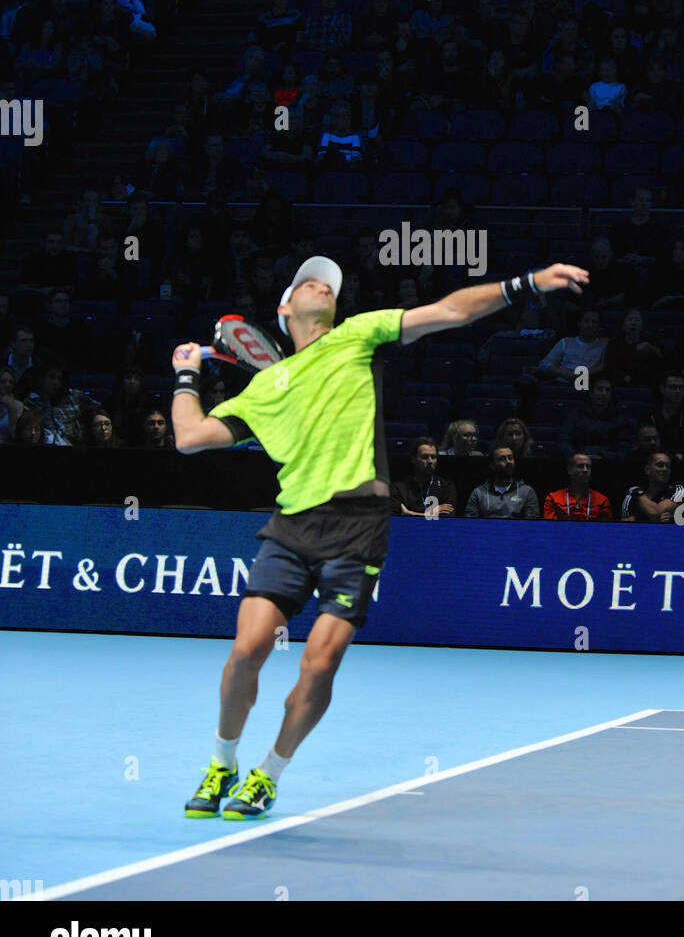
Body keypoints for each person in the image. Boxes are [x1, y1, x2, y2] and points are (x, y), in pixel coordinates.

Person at [172, 254, 589, 818]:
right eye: (305, 280)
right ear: (284, 306)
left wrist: (526, 284)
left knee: (318, 665)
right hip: (291, 526)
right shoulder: (266, 387)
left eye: (329, 283)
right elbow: (191, 436)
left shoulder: (358, 335)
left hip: (358, 527)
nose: (321, 282)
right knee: (246, 650)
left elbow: (448, 311)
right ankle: (222, 762)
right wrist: (185, 374)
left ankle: (268, 773)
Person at [464, 443, 541, 520]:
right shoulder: (478, 493)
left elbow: (531, 524)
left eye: (510, 458)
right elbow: (470, 523)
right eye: (502, 459)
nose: (508, 462)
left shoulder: (527, 492)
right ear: (492, 465)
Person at [390, 437, 457, 518]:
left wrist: (411, 514)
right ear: (413, 459)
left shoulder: (446, 487)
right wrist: (431, 513)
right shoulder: (398, 489)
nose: (430, 461)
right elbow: (395, 517)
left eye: (433, 457)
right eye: (425, 457)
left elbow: (447, 518)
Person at [621, 450, 684, 522]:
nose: (665, 469)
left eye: (668, 466)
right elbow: (626, 522)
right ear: (647, 470)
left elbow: (655, 513)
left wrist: (638, 492)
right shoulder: (631, 496)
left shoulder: (677, 490)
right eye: (660, 465)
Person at [543, 451, 612, 521]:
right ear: (569, 470)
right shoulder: (553, 499)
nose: (585, 470)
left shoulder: (602, 501)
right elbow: (550, 529)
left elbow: (605, 530)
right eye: (580, 466)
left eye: (588, 467)